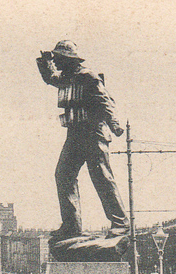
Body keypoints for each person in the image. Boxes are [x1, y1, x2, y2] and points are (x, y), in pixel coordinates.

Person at [36, 40, 128, 240]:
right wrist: (45, 62)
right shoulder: (67, 78)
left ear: (69, 59)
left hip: (93, 133)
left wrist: (116, 125)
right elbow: (50, 77)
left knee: (102, 178)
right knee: (63, 175)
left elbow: (106, 101)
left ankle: (120, 223)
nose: (57, 63)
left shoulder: (88, 76)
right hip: (75, 135)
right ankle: (72, 226)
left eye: (59, 59)